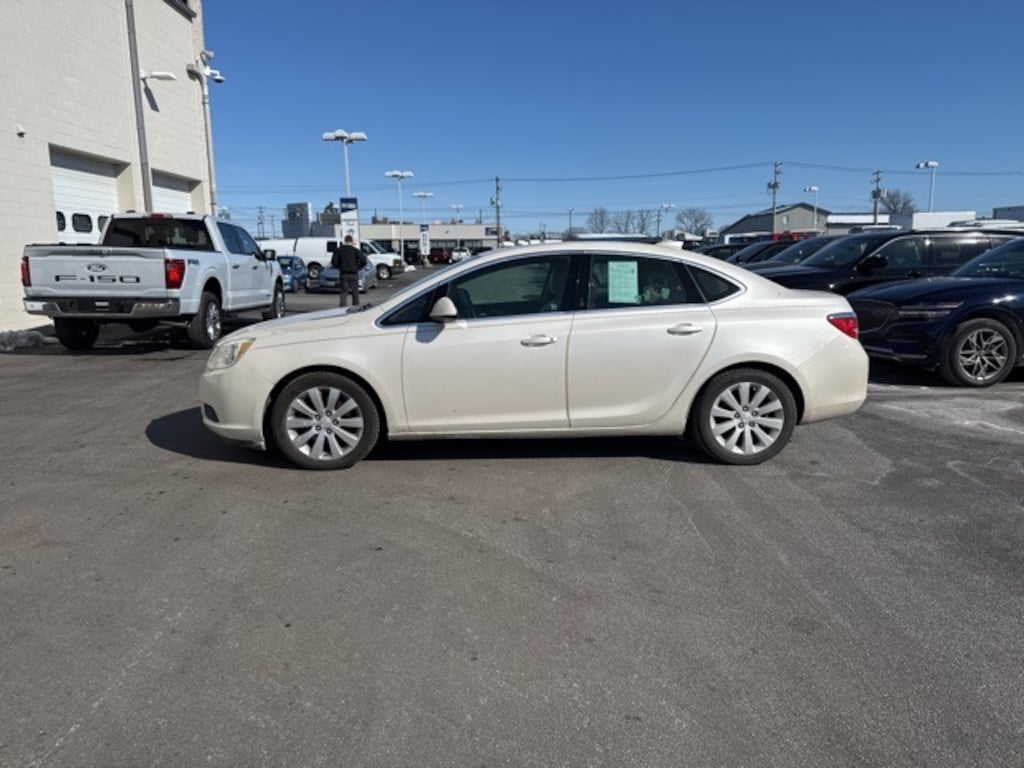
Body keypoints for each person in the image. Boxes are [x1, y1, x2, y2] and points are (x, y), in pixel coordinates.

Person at [332, 235, 368, 307]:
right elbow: (364, 260)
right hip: (354, 273)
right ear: (351, 241)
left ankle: (342, 308)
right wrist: (358, 267)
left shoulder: (339, 250)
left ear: (344, 241)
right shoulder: (355, 250)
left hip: (343, 273)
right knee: (355, 292)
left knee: (344, 292)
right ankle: (356, 307)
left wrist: (339, 267)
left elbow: (334, 262)